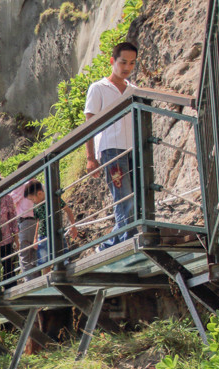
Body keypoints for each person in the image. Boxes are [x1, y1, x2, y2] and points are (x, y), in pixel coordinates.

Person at [84, 42, 138, 250]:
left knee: (137, 197)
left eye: (132, 63)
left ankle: (109, 245)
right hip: (111, 149)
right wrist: (90, 158)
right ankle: (124, 243)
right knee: (124, 198)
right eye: (123, 62)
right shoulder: (98, 88)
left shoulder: (133, 90)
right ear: (112, 61)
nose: (127, 67)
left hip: (133, 148)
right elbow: (89, 124)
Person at [27, 180, 78, 271]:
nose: (32, 201)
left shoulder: (53, 199)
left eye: (32, 199)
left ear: (39, 193)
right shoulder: (36, 206)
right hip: (42, 236)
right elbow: (38, 221)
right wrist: (35, 238)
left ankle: (64, 267)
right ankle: (47, 281)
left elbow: (68, 210)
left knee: (62, 254)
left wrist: (73, 226)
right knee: (44, 262)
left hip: (56, 232)